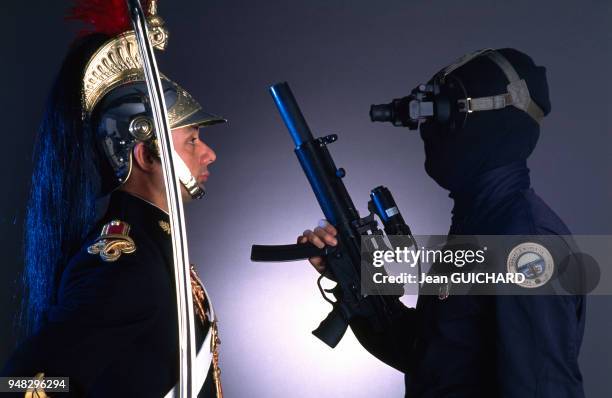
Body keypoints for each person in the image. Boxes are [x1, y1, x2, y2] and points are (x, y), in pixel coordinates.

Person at [300, 48, 585, 397]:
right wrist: (353, 277)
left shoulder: (527, 246)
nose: (427, 132)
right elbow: (433, 360)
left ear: (481, 120)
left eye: (441, 114)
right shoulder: (476, 227)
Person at [2, 1, 225, 397]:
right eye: (191, 140)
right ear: (143, 155)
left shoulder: (154, 243)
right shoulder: (122, 262)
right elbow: (22, 385)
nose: (208, 153)